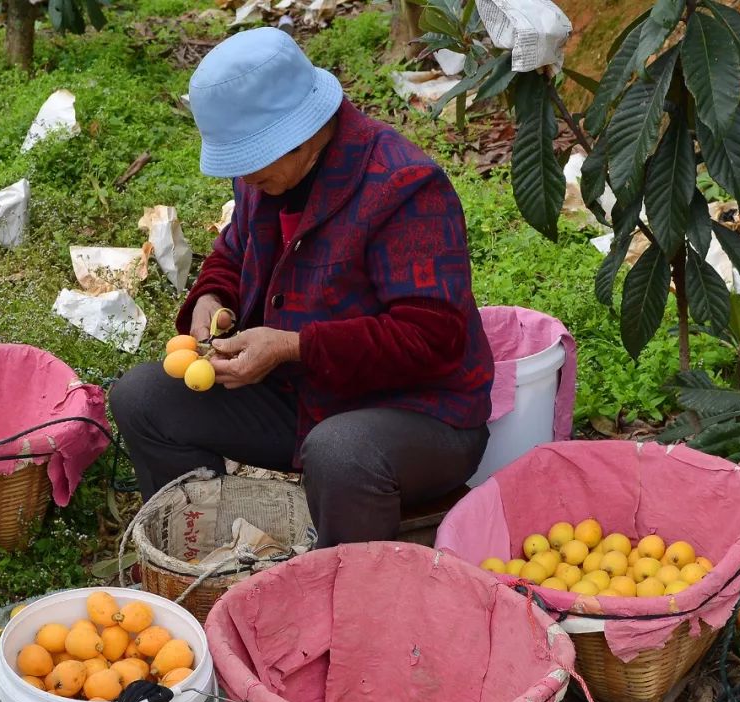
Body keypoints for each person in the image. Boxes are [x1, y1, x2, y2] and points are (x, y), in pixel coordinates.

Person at [111, 27, 494, 548]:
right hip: (306, 395)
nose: (243, 178)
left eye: (252, 160)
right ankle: (212, 557)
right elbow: (234, 249)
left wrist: (292, 345)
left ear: (302, 133)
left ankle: (349, 606)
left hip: (418, 415)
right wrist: (212, 297)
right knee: (144, 397)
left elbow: (432, 337)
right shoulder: (268, 178)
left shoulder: (404, 188)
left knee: (340, 451)